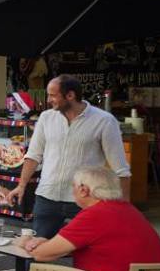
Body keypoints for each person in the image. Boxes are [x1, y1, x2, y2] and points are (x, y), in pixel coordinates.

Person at [16, 166, 160, 271]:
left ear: (83, 190)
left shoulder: (95, 215)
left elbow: (41, 255)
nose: (72, 192)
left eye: (72, 187)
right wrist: (46, 241)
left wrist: (26, 241)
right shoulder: (129, 210)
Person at [11, 76, 132, 238]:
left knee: (87, 254)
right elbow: (33, 155)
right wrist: (21, 186)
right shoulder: (46, 118)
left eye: (53, 95)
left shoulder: (104, 121)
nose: (48, 100)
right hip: (47, 196)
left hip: (85, 200)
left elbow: (121, 169)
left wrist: (123, 206)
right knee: (35, 252)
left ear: (70, 95)